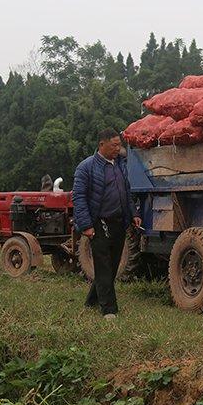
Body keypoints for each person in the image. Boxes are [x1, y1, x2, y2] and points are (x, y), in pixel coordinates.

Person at [73, 128, 142, 320]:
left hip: (119, 223)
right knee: (103, 266)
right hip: (99, 224)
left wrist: (133, 213)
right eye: (114, 145)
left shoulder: (120, 165)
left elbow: (126, 193)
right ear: (101, 145)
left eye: (119, 145)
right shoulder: (86, 167)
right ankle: (109, 309)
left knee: (111, 266)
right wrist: (86, 225)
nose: (118, 149)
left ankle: (91, 300)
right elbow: (78, 198)